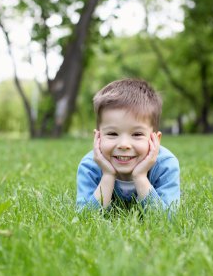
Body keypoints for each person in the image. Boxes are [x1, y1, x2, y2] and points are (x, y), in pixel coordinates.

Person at [76, 78, 180, 212]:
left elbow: (167, 220)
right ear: (98, 137)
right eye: (113, 134)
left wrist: (140, 176)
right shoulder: (90, 166)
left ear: (155, 139)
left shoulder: (165, 165)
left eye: (137, 134)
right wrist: (108, 175)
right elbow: (85, 218)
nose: (124, 145)